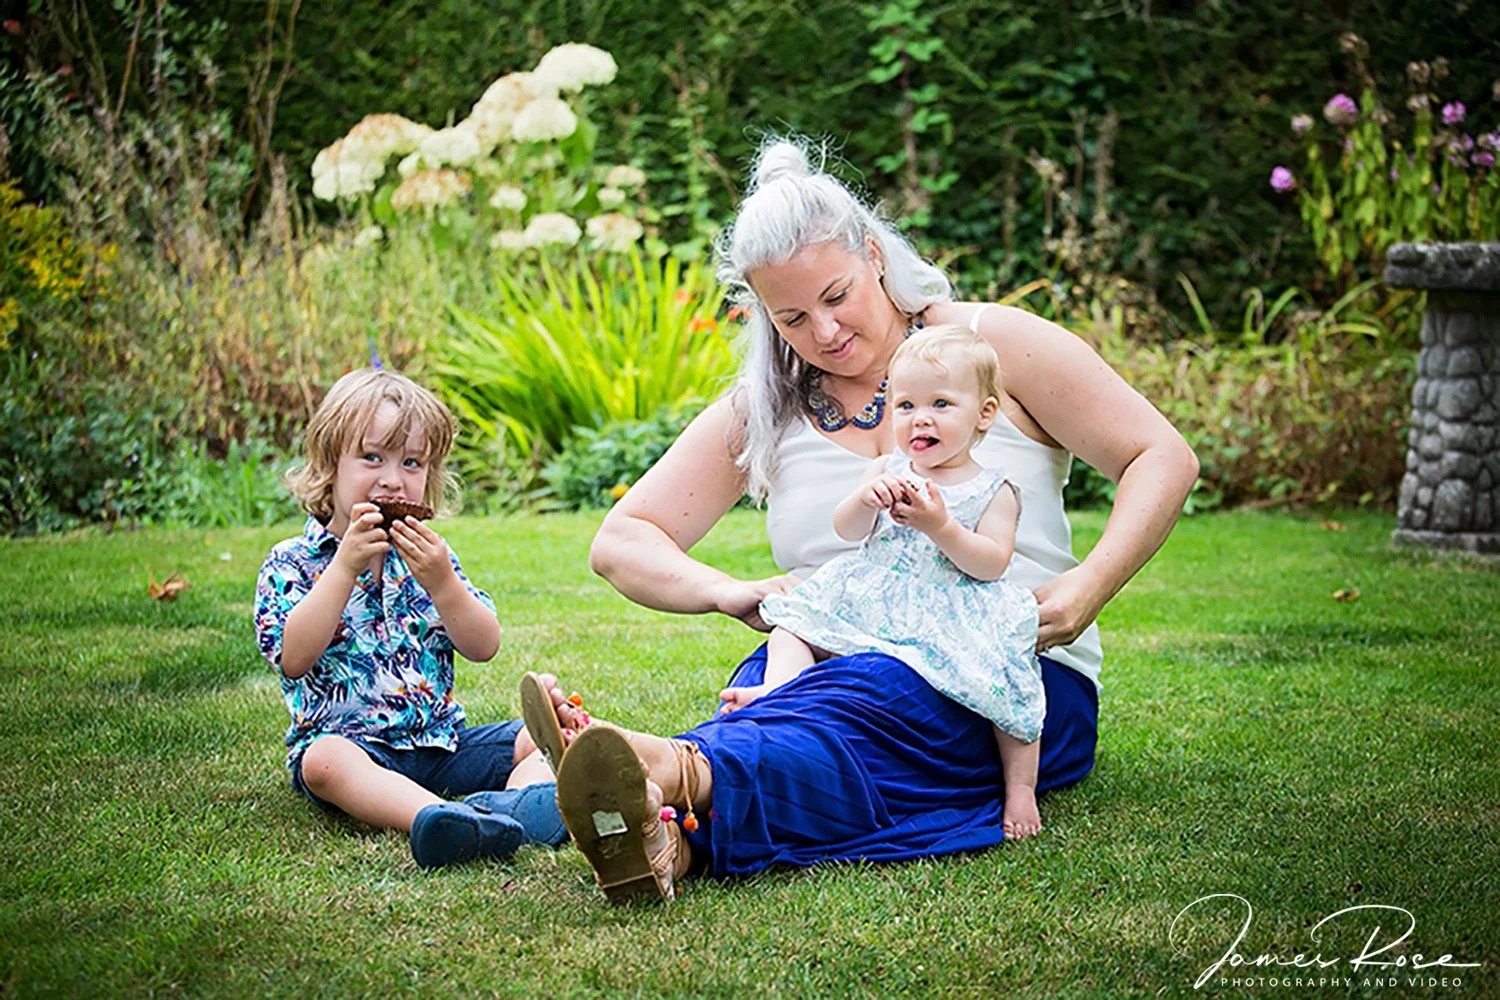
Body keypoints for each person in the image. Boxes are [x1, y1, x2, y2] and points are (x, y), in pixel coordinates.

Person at [540, 135, 1201, 903]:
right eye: (791, 317)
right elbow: (623, 539)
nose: (822, 333)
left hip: (1003, 676)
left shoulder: (988, 349)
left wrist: (1089, 586)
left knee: (864, 703)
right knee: (794, 704)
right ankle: (672, 847)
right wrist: (733, 591)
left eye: (836, 296)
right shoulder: (766, 408)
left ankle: (670, 768)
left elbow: (1161, 454)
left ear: (875, 257)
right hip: (828, 660)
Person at [722, 325, 1048, 839]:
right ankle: (777, 690)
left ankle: (1020, 789)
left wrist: (940, 525)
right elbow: (846, 529)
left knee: (1008, 681)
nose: (921, 418)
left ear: (984, 413)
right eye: (905, 405)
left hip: (950, 605)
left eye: (941, 404)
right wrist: (864, 499)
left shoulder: (993, 488)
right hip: (877, 592)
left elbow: (991, 563)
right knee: (790, 625)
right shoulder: (884, 467)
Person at [254, 367, 565, 869]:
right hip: (356, 751)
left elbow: (484, 645)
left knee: (545, 736)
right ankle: (436, 816)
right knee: (323, 762)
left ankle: (506, 812)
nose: (393, 479)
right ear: (330, 463)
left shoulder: (429, 559)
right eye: (372, 457)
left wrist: (444, 584)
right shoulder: (293, 563)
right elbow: (294, 658)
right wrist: (345, 567)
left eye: (412, 463)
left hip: (441, 742)